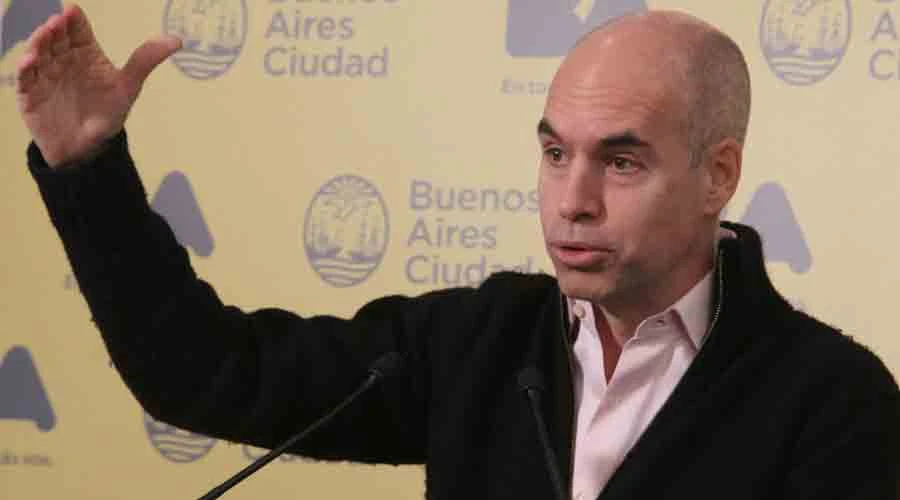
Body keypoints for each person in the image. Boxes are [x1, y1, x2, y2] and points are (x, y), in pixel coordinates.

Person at [16, 4, 899, 500]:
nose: (573, 199)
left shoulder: (835, 402)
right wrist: (88, 166)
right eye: (554, 153)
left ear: (718, 176)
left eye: (621, 161)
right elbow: (209, 372)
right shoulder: (480, 341)